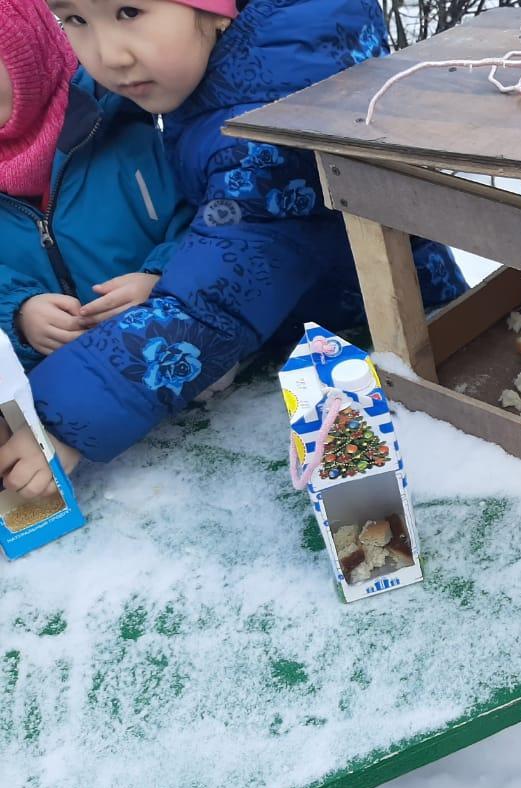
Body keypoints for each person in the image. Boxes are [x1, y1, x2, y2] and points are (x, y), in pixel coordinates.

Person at [6, 0, 465, 484]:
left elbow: (220, 296)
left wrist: (57, 424)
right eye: (75, 20)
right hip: (324, 336)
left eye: (129, 12)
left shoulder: (271, 120)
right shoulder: (238, 75)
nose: (109, 56)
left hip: (393, 353)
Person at [0, 0, 193, 499]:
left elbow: (208, 220)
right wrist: (18, 313)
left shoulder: (131, 122)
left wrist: (159, 277)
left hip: (189, 373)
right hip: (60, 408)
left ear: (28, 56)